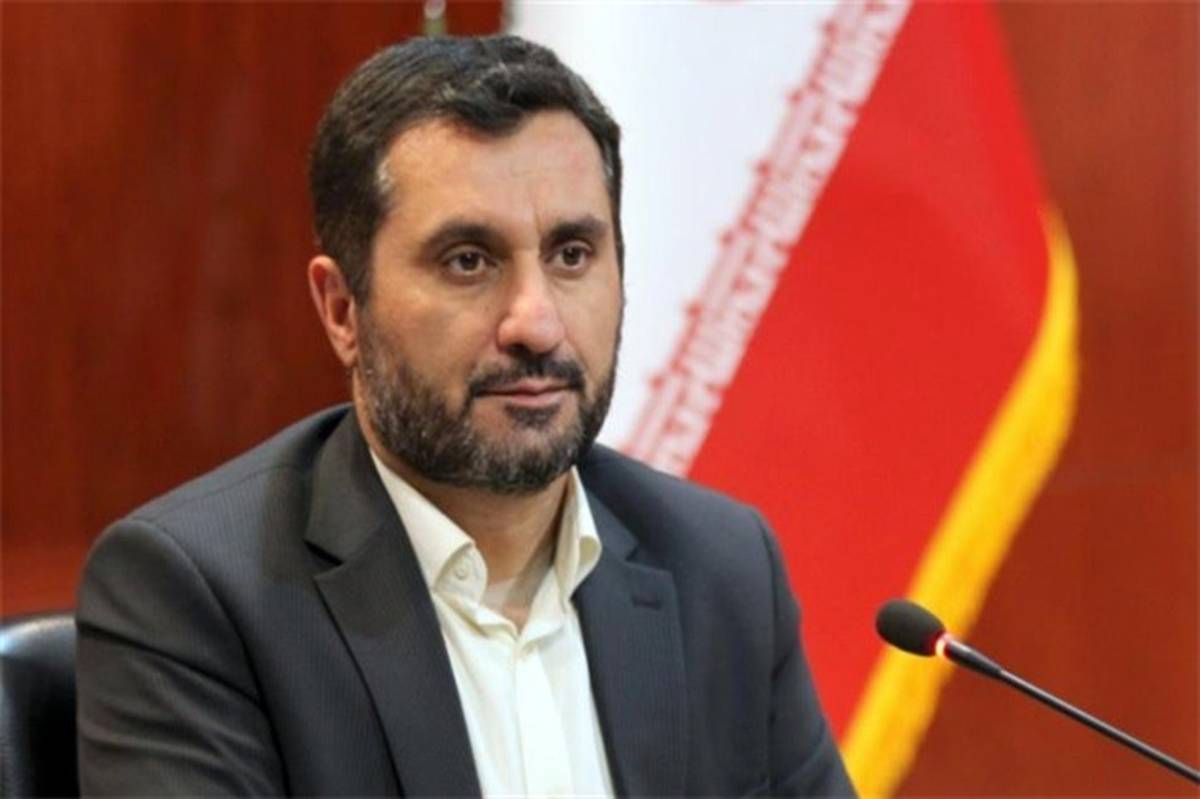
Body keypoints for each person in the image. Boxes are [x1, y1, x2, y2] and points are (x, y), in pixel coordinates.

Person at [76, 35, 854, 797]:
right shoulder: (194, 597)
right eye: (468, 261)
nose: (536, 323)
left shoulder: (720, 568)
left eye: (572, 254)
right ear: (343, 309)